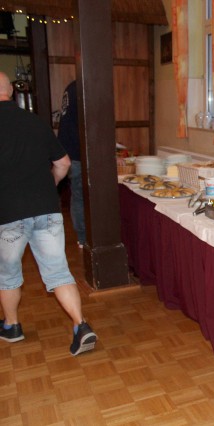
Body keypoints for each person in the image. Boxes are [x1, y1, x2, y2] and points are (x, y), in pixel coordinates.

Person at [0, 71, 97, 356]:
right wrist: (50, 186)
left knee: (7, 274)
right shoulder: (34, 122)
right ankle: (81, 326)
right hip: (46, 209)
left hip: (8, 213)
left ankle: (12, 326)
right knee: (58, 271)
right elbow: (64, 163)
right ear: (13, 93)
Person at [58, 80, 86, 248]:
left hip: (67, 150)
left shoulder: (71, 87)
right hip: (78, 152)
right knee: (81, 196)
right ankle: (84, 237)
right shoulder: (83, 88)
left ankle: (82, 237)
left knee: (78, 196)